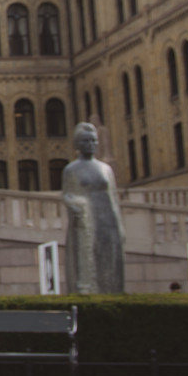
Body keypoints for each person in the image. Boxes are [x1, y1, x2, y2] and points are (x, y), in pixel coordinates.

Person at [62, 122, 127, 294]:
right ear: (77, 144)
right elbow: (67, 194)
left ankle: (112, 290)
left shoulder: (106, 169)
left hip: (107, 219)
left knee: (110, 260)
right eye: (85, 141)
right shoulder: (71, 169)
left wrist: (119, 226)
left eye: (93, 141)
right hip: (86, 220)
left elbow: (113, 196)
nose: (90, 145)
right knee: (88, 259)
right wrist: (74, 204)